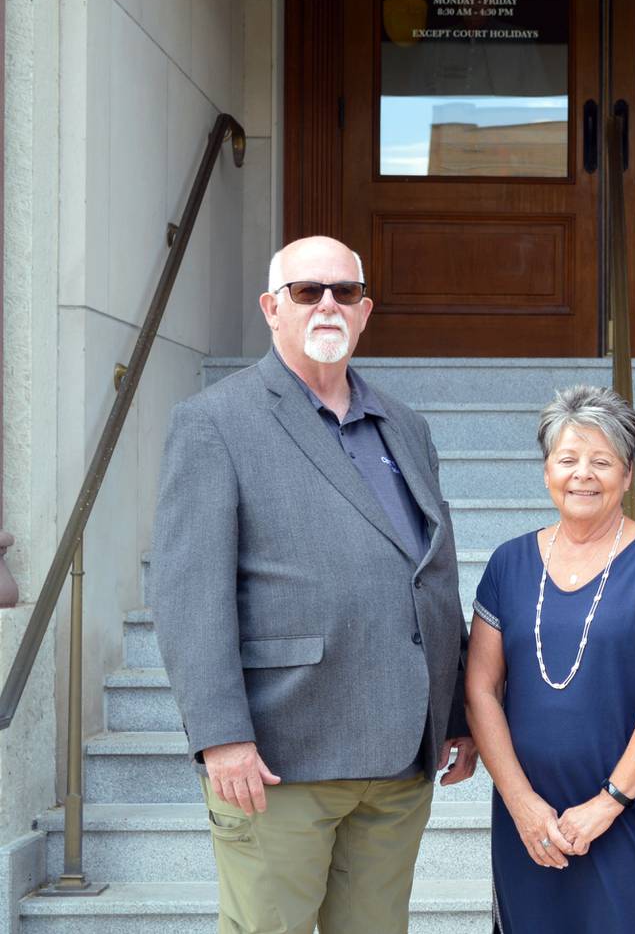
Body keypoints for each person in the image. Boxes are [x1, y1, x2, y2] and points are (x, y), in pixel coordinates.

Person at [150, 236, 478, 934]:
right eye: (307, 291)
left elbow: (433, 573)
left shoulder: (406, 427)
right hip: (278, 755)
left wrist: (455, 714)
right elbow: (188, 594)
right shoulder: (215, 421)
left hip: (397, 757)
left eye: (344, 292)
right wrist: (219, 734)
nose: (327, 303)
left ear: (365, 311)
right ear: (273, 308)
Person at [466, 385, 635, 933]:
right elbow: (481, 689)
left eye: (602, 461)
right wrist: (521, 803)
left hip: (633, 809)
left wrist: (607, 803)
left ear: (626, 475)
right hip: (531, 821)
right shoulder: (509, 562)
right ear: (547, 470)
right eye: (568, 459)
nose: (583, 474)